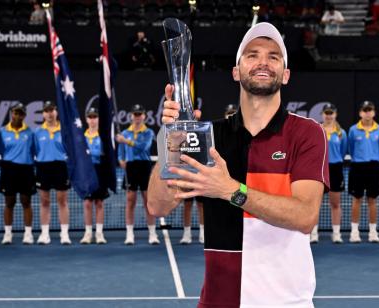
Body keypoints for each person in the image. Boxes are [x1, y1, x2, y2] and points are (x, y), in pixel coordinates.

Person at [148, 22, 329, 307]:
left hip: (286, 303)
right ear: (236, 71)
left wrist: (231, 190)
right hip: (219, 301)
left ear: (285, 74)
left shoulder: (307, 133)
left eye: (273, 56)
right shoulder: (210, 137)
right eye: (252, 54)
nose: (262, 62)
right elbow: (158, 205)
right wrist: (170, 138)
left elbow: (305, 215)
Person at [117, 104, 159, 245]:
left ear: (144, 116)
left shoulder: (148, 133)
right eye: (135, 114)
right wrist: (121, 159)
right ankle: (129, 234)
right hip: (131, 167)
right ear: (131, 116)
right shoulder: (124, 133)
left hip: (144, 166)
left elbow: (143, 147)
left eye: (139, 114)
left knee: (148, 201)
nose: (137, 117)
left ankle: (152, 234)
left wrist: (126, 141)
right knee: (130, 201)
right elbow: (121, 151)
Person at [348, 101, 379, 243]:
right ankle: (354, 232)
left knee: (372, 200)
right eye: (365, 110)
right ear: (360, 113)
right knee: (356, 199)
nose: (367, 113)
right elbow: (350, 149)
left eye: (370, 110)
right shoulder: (352, 130)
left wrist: (375, 160)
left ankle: (373, 232)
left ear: (374, 112)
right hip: (357, 167)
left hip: (373, 167)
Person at [34, 101, 71, 245]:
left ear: (56, 112)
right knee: (44, 201)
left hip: (61, 167)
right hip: (43, 166)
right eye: (46, 111)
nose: (49, 113)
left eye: (52, 110)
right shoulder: (37, 132)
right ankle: (44, 234)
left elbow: (70, 150)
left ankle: (64, 234)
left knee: (62, 200)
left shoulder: (65, 130)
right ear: (43, 114)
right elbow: (36, 150)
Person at [0, 103, 36, 245]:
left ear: (24, 116)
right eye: (15, 113)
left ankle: (28, 234)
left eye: (20, 114)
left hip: (26, 169)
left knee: (26, 202)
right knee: (9, 202)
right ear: (11, 114)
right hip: (8, 169)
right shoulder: (2, 132)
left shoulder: (30, 133)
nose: (17, 116)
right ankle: (8, 234)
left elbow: (33, 151)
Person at [310, 103, 346, 244]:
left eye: (331, 113)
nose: (329, 115)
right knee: (315, 203)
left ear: (335, 114)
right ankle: (313, 233)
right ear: (323, 114)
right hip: (319, 169)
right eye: (326, 113)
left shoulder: (341, 133)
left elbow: (343, 151)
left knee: (335, 203)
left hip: (336, 169)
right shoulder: (316, 130)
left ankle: (336, 233)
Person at [80, 107, 109, 245]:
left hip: (99, 171)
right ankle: (87, 233)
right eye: (90, 117)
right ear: (86, 119)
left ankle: (99, 234)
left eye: (95, 117)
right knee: (87, 203)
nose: (92, 120)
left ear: (98, 119)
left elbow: (107, 154)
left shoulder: (103, 136)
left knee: (99, 203)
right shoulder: (81, 137)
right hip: (86, 171)